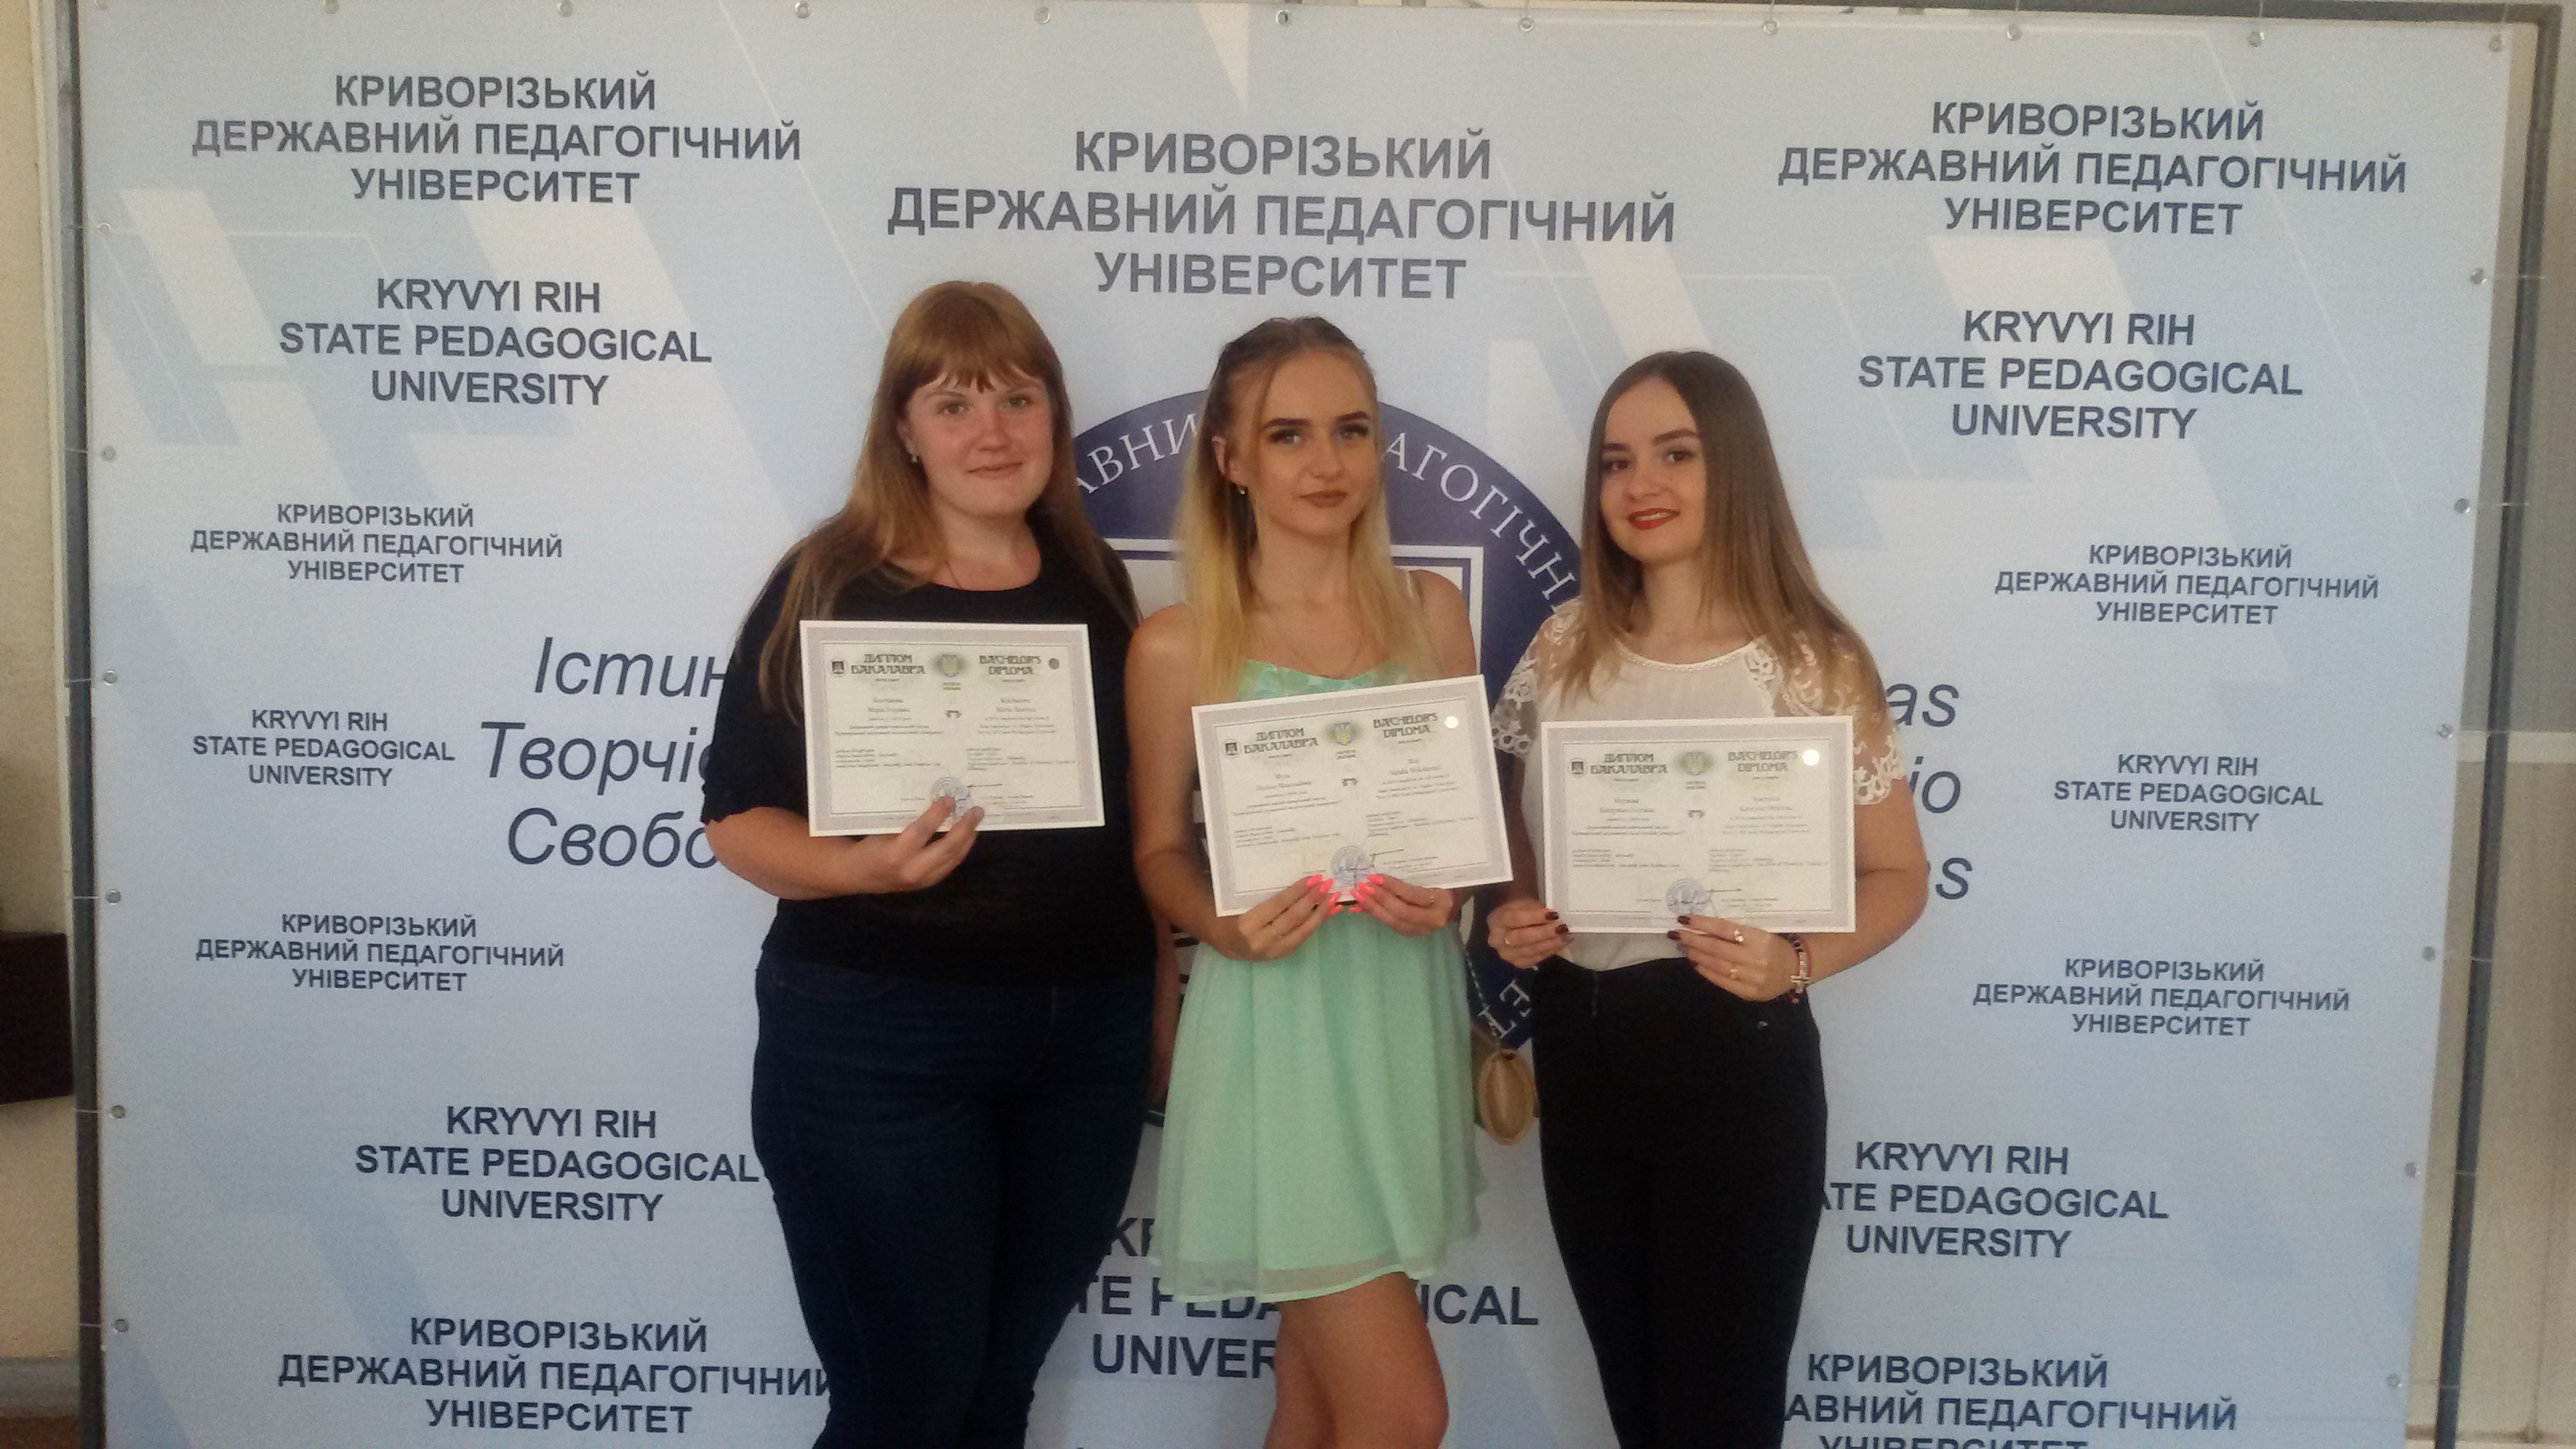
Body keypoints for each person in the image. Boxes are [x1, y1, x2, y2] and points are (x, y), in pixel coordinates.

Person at [698, 281, 1176, 1447]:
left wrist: (1157, 1013)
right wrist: (865, 870)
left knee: (997, 1397)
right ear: (903, 429)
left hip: (1087, 1046)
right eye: (954, 405)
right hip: (877, 1046)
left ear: (1055, 417)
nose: (992, 433)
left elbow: (1141, 828)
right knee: (904, 1407)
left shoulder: (1095, 583)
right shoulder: (827, 583)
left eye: (1018, 399)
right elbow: (736, 821)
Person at [1483, 351, 1930, 1448]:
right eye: (1616, 461)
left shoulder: (1814, 663)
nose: (1642, 484)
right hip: (1581, 1049)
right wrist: (1516, 909)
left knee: (1720, 1417)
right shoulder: (1562, 648)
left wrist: (1798, 962)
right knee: (1639, 1409)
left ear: (1733, 468)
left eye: (1676, 454)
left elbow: (1899, 875)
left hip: (1733, 1055)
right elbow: (1512, 832)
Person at [1127, 317, 1482, 1449]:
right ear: (1230, 459)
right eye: (1288, 435)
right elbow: (1155, 852)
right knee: (1404, 1414)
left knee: (1317, 1399)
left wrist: (1450, 895)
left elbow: (1459, 834)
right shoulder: (1177, 645)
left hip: (1400, 1017)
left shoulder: (1431, 614)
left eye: (1350, 430)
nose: (1326, 462)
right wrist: (1220, 927)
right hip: (1277, 1031)